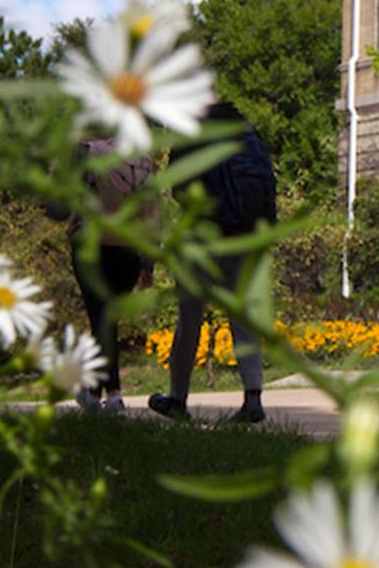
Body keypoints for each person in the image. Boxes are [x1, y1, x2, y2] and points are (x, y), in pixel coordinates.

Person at [149, 102, 275, 423]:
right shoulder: (246, 130)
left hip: (205, 236)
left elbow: (179, 186)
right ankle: (252, 398)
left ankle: (177, 400)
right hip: (246, 234)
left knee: (189, 315)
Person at [60, 138, 155, 412]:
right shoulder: (144, 159)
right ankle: (94, 390)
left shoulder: (85, 151)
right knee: (106, 319)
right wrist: (148, 264)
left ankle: (112, 393)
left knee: (100, 317)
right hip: (129, 249)